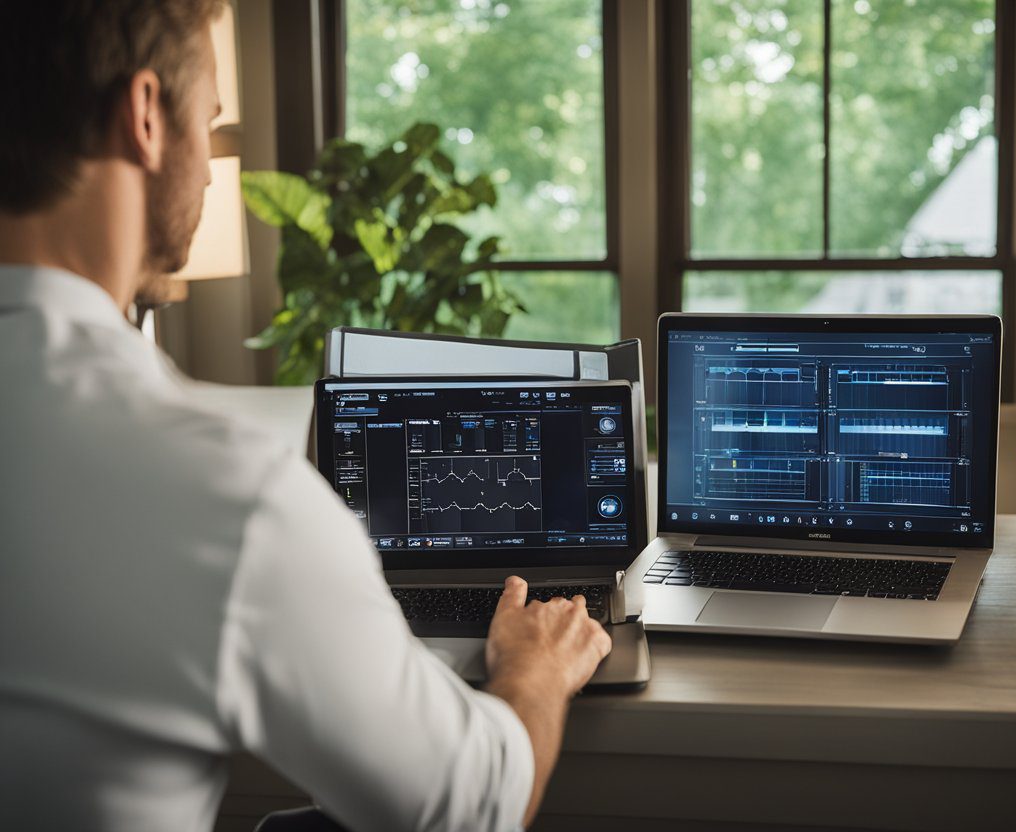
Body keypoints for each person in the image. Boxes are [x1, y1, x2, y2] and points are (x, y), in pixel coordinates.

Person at [0, 2, 612, 830]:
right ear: (145, 117)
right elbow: (470, 804)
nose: (214, 172)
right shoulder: (222, 494)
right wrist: (533, 670)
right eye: (209, 126)